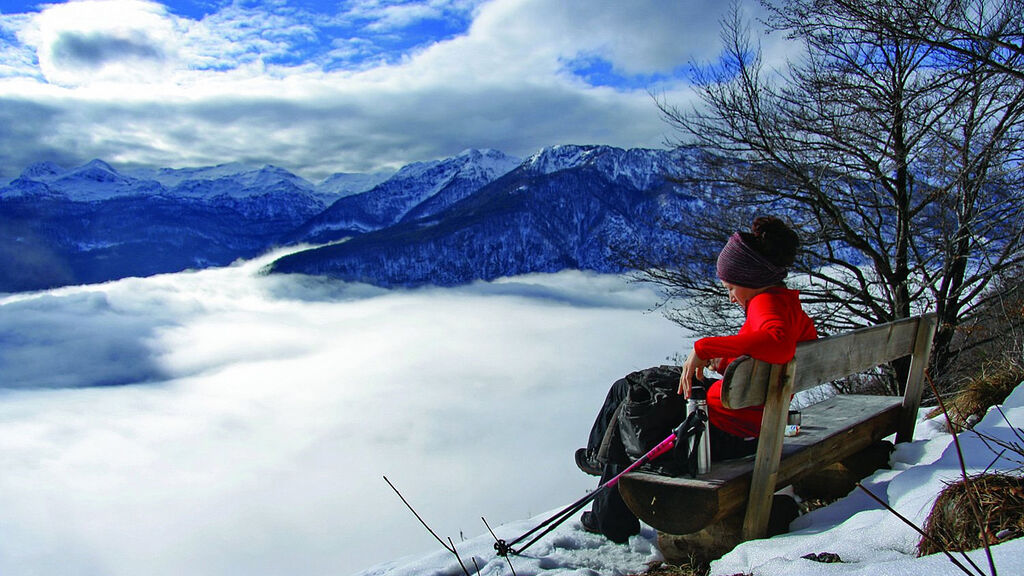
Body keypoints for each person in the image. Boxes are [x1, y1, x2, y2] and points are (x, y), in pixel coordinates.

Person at [575, 216, 818, 543]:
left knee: (635, 404)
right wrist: (729, 359)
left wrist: (706, 347)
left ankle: (608, 508)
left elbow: (776, 343)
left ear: (751, 277)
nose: (731, 296)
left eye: (731, 287)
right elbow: (775, 351)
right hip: (750, 421)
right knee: (632, 387)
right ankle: (601, 472)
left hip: (723, 432)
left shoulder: (766, 304)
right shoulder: (786, 303)